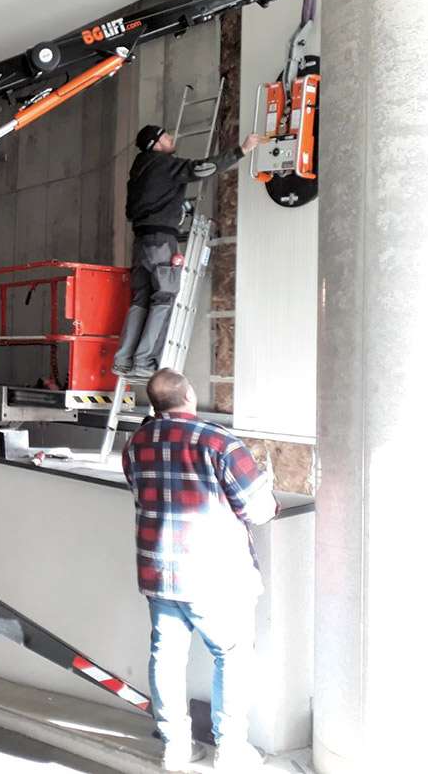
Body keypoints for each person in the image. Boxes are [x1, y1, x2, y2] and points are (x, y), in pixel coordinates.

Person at [122, 369, 278, 772]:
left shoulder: (136, 442)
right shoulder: (219, 442)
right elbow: (259, 510)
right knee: (232, 656)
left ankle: (175, 747)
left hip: (159, 572)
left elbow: (137, 488)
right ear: (189, 396)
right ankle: (230, 750)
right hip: (215, 576)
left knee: (166, 658)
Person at [112, 126, 263, 378]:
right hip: (161, 241)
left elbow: (132, 210)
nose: (171, 138)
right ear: (155, 144)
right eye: (165, 136)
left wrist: (174, 205)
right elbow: (201, 169)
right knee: (164, 298)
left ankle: (123, 360)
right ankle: (144, 360)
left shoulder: (138, 171)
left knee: (140, 300)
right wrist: (242, 150)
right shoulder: (163, 163)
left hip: (141, 243)